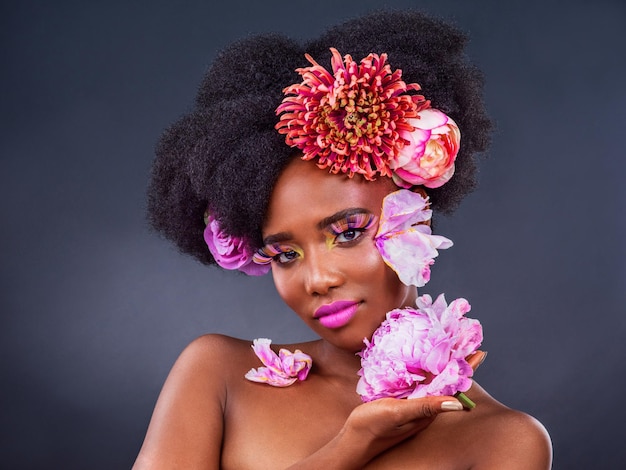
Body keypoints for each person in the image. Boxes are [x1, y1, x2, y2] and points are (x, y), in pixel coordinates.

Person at [133, 10, 552, 469]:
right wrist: (352, 445)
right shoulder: (218, 374)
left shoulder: (503, 442)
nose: (317, 279)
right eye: (285, 254)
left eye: (349, 232)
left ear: (417, 216)